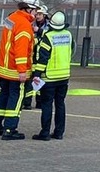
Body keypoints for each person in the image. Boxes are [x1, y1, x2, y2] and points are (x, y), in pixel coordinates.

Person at [0, 0, 38, 140]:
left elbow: (7, 42)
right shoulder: (24, 24)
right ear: (29, 9)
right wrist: (22, 71)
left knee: (3, 95)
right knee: (16, 98)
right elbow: (21, 49)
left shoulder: (11, 18)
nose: (35, 14)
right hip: (16, 70)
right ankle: (10, 129)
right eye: (35, 11)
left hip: (4, 67)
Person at [31, 11, 73, 141]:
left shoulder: (48, 37)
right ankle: (59, 132)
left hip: (49, 77)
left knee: (47, 105)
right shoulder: (69, 35)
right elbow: (70, 52)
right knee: (60, 104)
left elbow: (42, 58)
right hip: (64, 76)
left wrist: (36, 74)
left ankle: (45, 133)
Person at [24, 3, 50, 110]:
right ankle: (27, 103)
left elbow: (49, 35)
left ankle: (39, 102)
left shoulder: (48, 26)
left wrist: (38, 31)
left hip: (43, 59)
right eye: (37, 14)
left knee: (40, 82)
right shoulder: (31, 24)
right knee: (29, 82)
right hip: (32, 58)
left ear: (44, 16)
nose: (37, 16)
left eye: (40, 14)